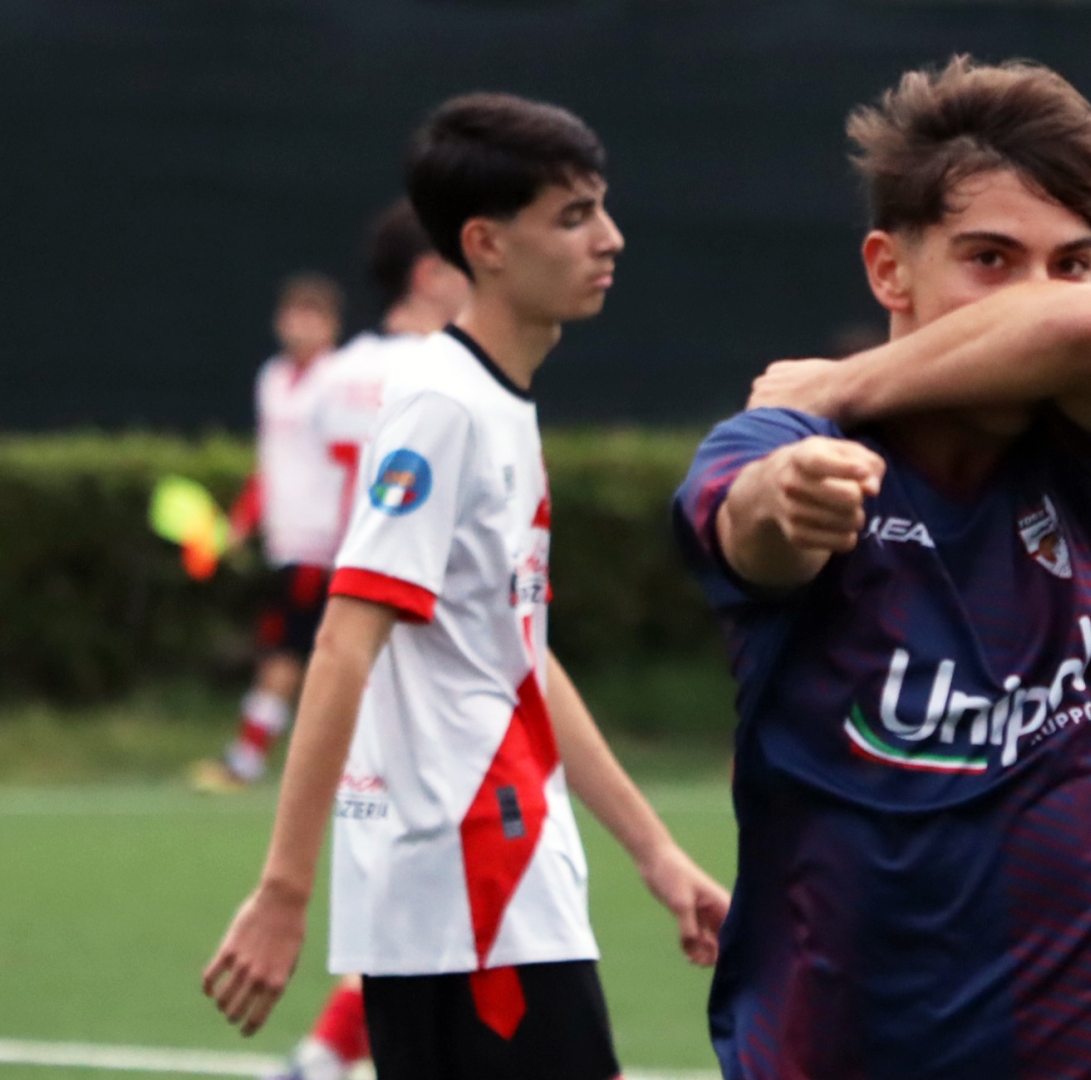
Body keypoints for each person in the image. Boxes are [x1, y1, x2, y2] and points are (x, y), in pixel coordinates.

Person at [674, 56, 1091, 1078]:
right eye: (991, 259)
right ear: (888, 269)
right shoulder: (785, 443)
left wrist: (840, 383)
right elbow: (752, 526)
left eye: (1072, 261)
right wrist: (788, 496)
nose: (1034, 299)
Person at [203, 92, 730, 1080]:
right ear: (485, 244)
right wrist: (284, 889)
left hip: (506, 876)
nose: (610, 239)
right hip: (469, 884)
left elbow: (516, 658)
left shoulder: (497, 405)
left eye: (602, 208)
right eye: (574, 216)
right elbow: (343, 642)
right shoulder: (441, 408)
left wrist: (657, 856)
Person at [261, 200, 471, 1080]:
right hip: (433, 644)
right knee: (449, 893)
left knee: (411, 888)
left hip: (357, 629)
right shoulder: (454, 373)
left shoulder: (335, 377)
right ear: (431, 272)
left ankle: (326, 1052)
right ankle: (330, 1052)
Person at [191, 274, 345, 792]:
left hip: (329, 545)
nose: (301, 325)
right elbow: (270, 466)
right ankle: (254, 759)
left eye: (313, 315)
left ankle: (248, 760)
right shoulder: (272, 379)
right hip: (288, 544)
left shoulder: (342, 381)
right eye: (294, 314)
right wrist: (238, 524)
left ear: (332, 326)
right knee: (295, 653)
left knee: (293, 654)